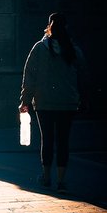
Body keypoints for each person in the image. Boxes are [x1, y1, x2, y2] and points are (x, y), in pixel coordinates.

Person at [19, 11, 88, 192]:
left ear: (49, 27)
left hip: (44, 103)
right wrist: (79, 97)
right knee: (63, 141)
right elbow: (83, 74)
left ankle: (46, 176)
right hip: (67, 103)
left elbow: (29, 77)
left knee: (47, 140)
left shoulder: (39, 48)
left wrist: (25, 101)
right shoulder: (73, 49)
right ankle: (61, 181)